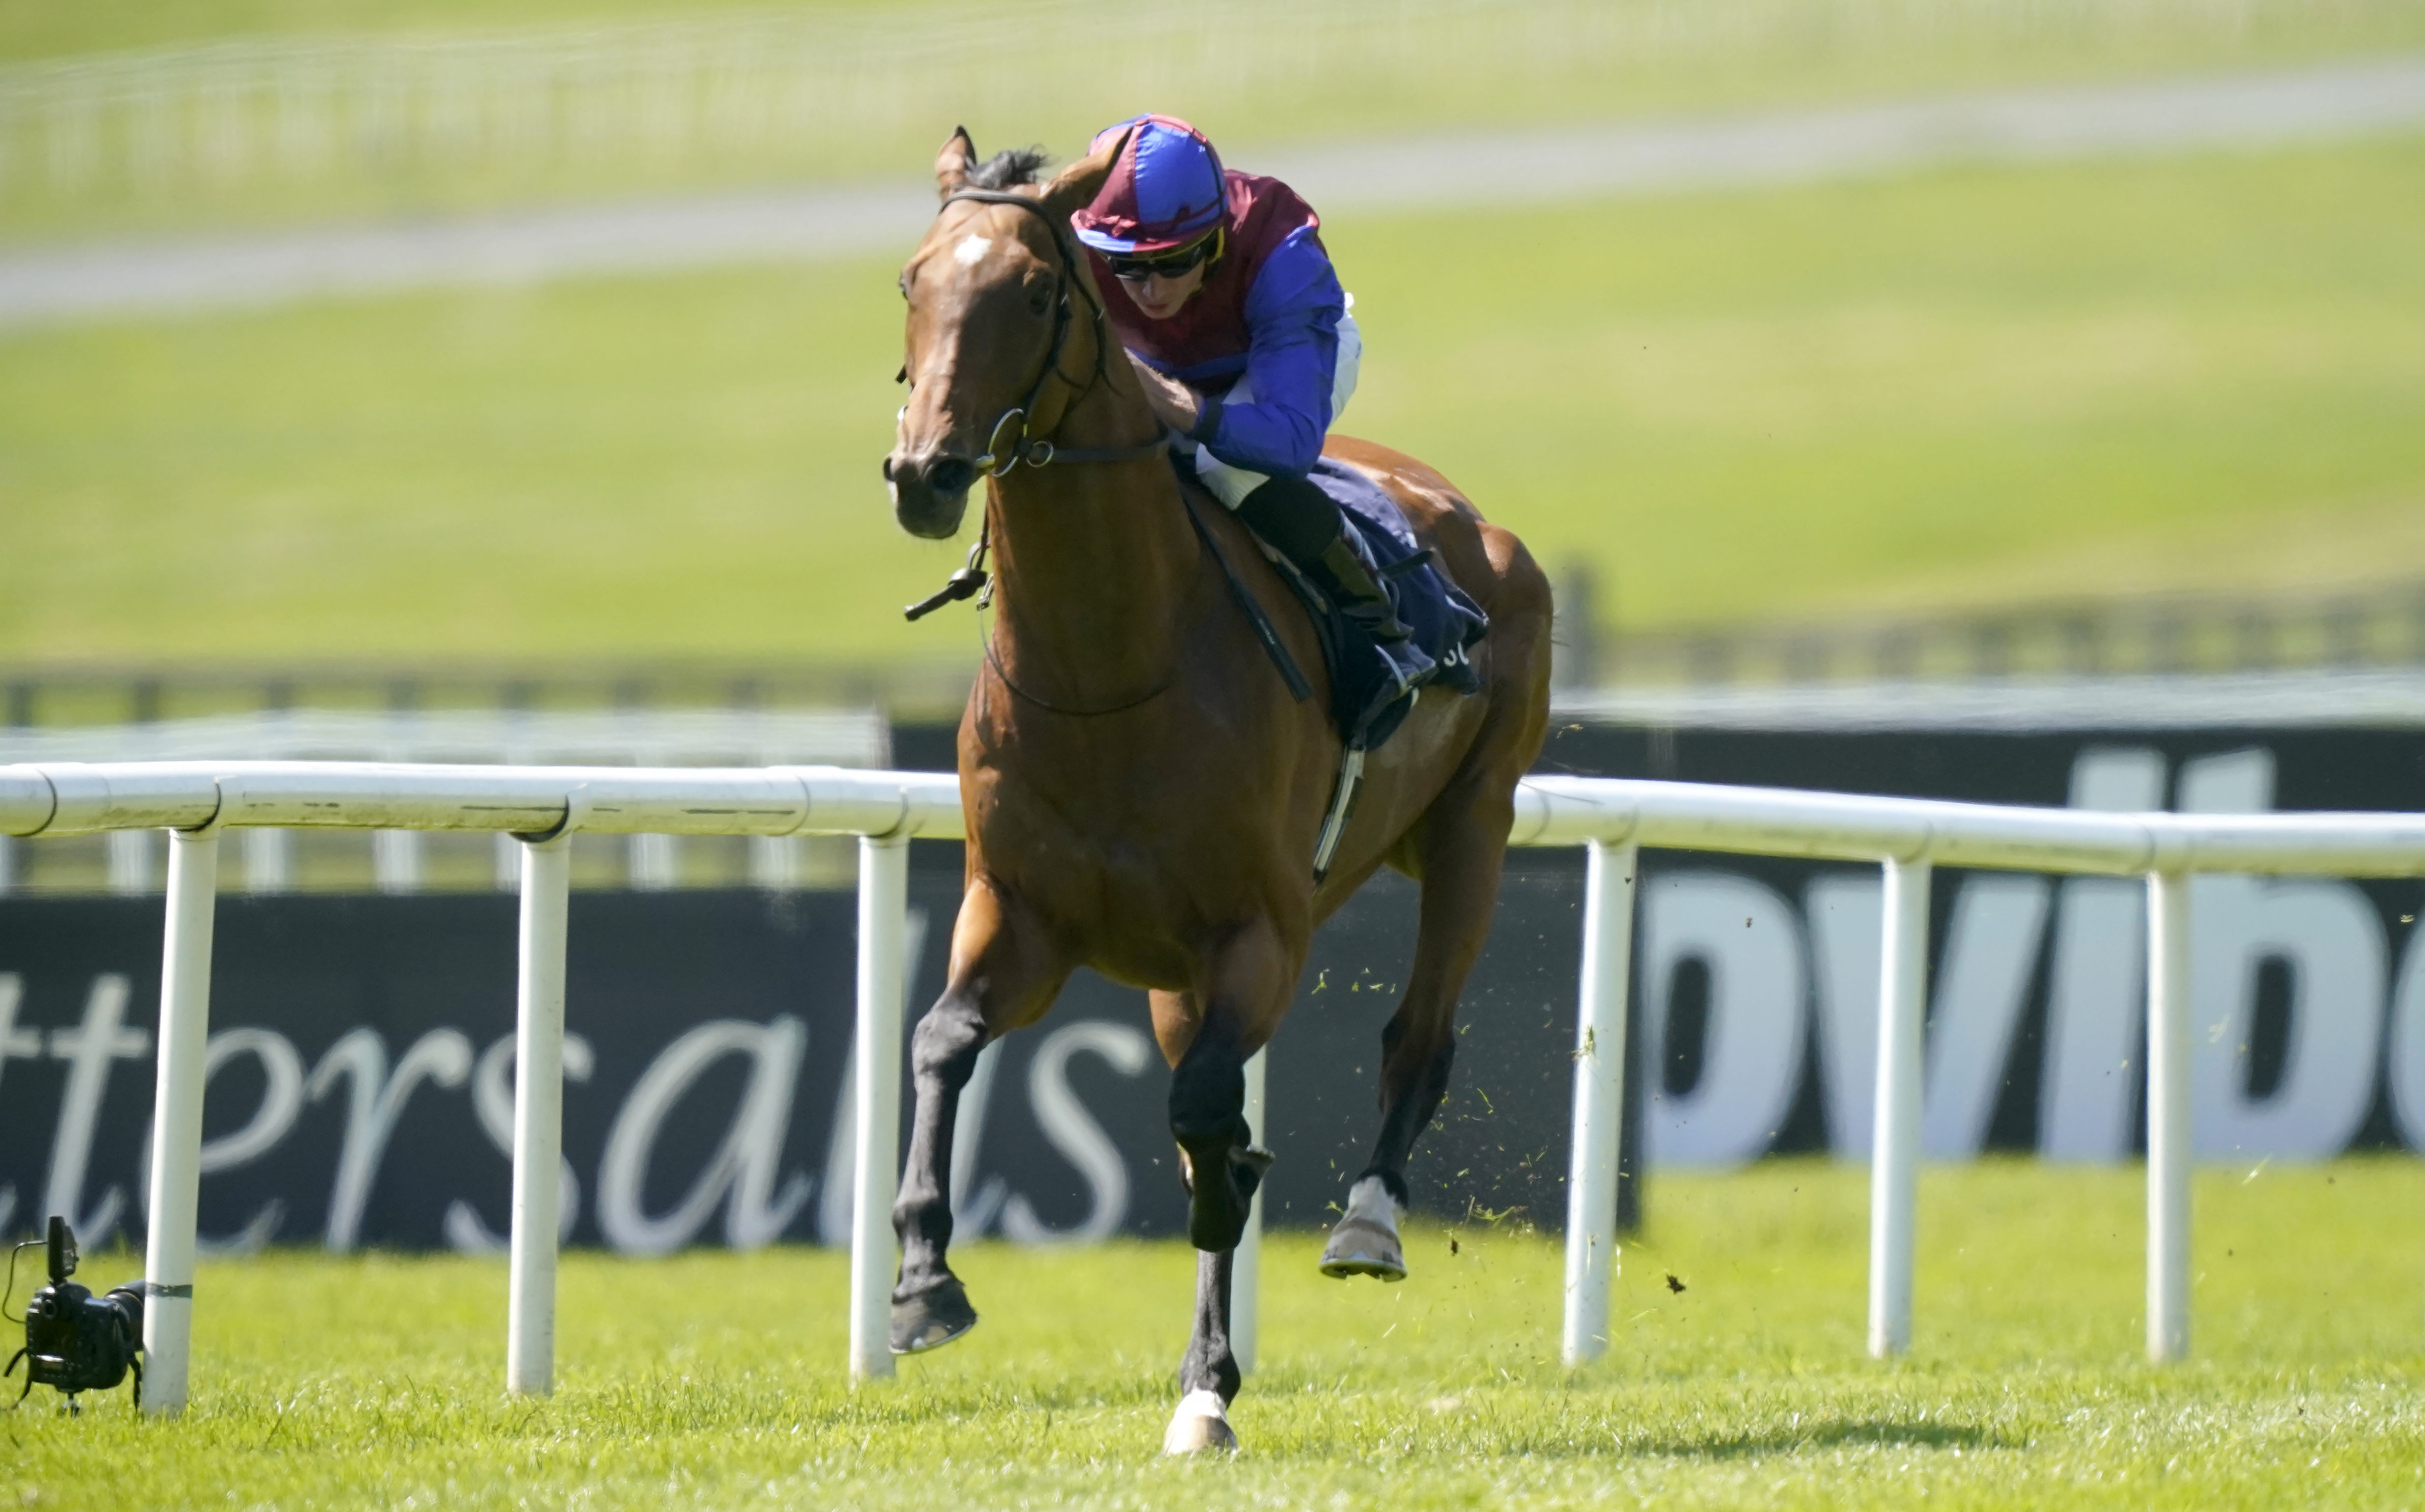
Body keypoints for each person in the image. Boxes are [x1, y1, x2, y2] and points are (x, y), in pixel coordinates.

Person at [1069, 114, 1409, 642]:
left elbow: (1290, 441)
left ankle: (1372, 606)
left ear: (1215, 239)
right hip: (1162, 367)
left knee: (1224, 467)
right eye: (1126, 266)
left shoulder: (1281, 250)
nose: (1152, 290)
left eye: (1175, 261)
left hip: (1285, 361)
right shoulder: (1073, 247)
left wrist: (1173, 402)